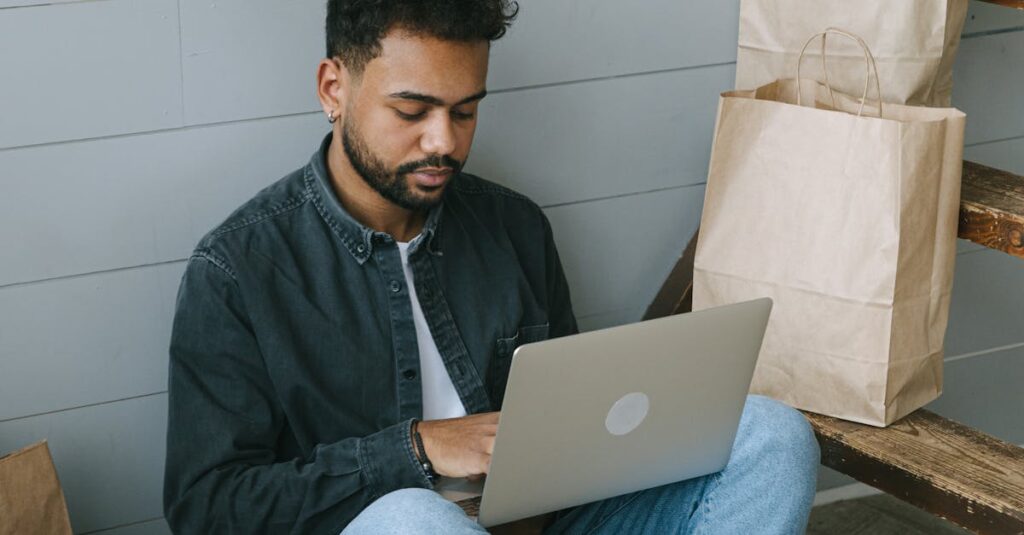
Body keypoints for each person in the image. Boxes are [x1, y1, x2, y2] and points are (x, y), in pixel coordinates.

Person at [162, 1, 820, 533]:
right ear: (334, 87)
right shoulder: (238, 270)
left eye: (466, 110)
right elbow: (209, 507)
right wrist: (416, 448)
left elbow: (576, 423)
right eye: (412, 111)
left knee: (771, 434)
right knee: (412, 521)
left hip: (538, 524)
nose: (444, 141)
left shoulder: (515, 227)